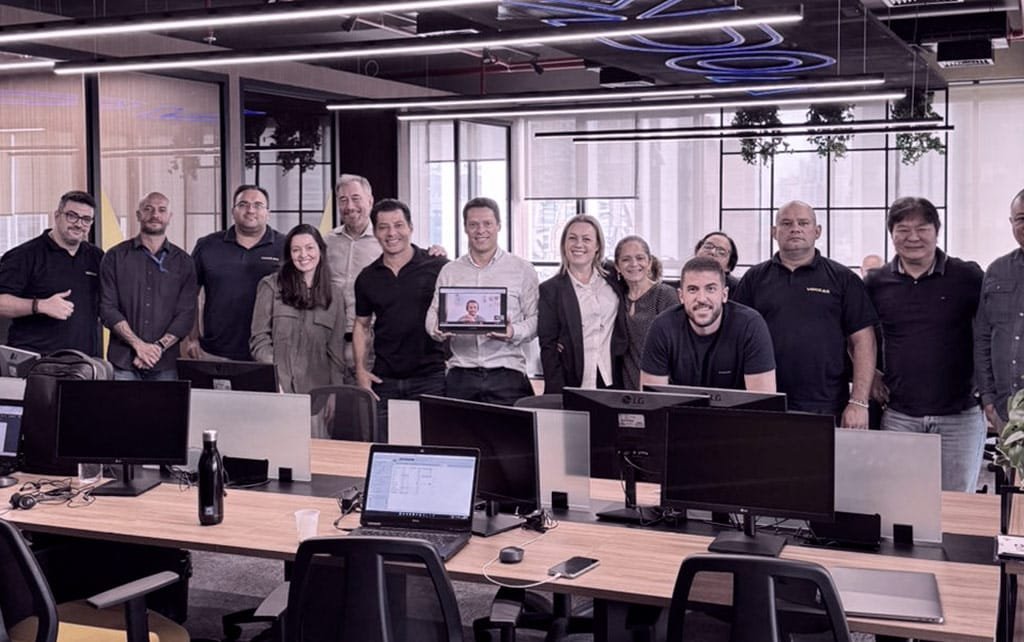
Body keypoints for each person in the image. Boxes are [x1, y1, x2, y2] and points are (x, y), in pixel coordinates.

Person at [866, 196, 985, 492]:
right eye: (903, 229)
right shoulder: (876, 283)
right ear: (891, 234)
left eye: (922, 228)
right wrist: (870, 375)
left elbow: (992, 329)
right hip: (899, 415)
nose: (913, 237)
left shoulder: (967, 276)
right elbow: (855, 333)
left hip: (960, 416)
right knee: (899, 501)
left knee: (957, 504)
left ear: (937, 231)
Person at [732, 201, 877, 427]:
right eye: (786, 223)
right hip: (764, 402)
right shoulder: (754, 279)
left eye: (803, 223)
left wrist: (858, 402)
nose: (795, 229)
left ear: (817, 231)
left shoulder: (843, 279)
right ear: (774, 232)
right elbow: (735, 338)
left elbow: (863, 342)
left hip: (827, 404)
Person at [426, 197, 539, 405]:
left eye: (487, 223)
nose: (480, 230)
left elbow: (536, 319)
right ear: (465, 228)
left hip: (507, 374)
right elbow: (433, 314)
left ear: (499, 226)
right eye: (473, 224)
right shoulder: (450, 271)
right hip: (461, 374)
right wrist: (436, 330)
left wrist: (512, 331)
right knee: (453, 428)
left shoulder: (522, 269)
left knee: (512, 428)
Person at [353, 199, 448, 432]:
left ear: (410, 227)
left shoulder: (438, 266)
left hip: (432, 379)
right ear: (375, 232)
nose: (391, 233)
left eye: (398, 225)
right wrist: (361, 371)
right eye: (383, 227)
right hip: (384, 382)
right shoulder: (367, 277)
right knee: (387, 448)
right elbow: (361, 325)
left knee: (435, 447)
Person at [99, 192, 197, 380]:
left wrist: (157, 348)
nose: (155, 215)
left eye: (162, 210)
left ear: (169, 216)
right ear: (138, 215)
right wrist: (139, 346)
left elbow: (186, 314)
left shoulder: (184, 262)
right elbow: (107, 308)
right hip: (123, 363)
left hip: (166, 364)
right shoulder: (114, 257)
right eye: (148, 209)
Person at [641, 256, 776, 391]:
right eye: (693, 289)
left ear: (724, 294)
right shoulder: (662, 327)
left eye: (710, 289)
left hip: (740, 406)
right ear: (681, 296)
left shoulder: (750, 326)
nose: (701, 299)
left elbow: (763, 399)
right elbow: (653, 399)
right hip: (678, 406)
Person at [183, 185, 285, 361]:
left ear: (268, 212)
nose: (250, 210)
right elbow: (188, 293)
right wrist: (192, 338)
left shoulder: (285, 246)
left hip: (269, 352)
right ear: (233, 211)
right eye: (243, 204)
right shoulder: (207, 245)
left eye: (258, 205)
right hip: (215, 352)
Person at [0, 190, 104, 356]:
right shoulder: (24, 255)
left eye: (86, 219)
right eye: (72, 216)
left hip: (83, 361)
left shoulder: (96, 257)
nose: (79, 224)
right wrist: (39, 305)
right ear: (57, 216)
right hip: (36, 361)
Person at [250, 224, 347, 394]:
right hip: (279, 388)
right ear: (289, 254)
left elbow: (336, 353)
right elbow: (259, 340)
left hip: (318, 391)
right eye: (296, 250)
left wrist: (333, 394)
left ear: (320, 250)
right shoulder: (270, 286)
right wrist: (275, 378)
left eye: (309, 248)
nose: (303, 255)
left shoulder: (335, 295)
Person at [538, 214, 626, 394]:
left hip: (613, 377)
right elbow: (548, 348)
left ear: (597, 246)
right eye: (572, 238)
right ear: (564, 244)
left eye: (586, 239)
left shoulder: (614, 277)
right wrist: (556, 395)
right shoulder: (550, 290)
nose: (578, 244)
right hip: (574, 380)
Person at [976, 189, 1024, 432]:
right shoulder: (997, 271)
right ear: (1011, 222)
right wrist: (987, 398)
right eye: (1021, 218)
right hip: (1006, 412)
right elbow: (983, 337)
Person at [614, 235, 677, 390]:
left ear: (649, 263)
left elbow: (677, 346)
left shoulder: (664, 294)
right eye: (626, 259)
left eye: (640, 258)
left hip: (662, 385)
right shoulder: (617, 297)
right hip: (627, 387)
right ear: (617, 266)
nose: (634, 264)